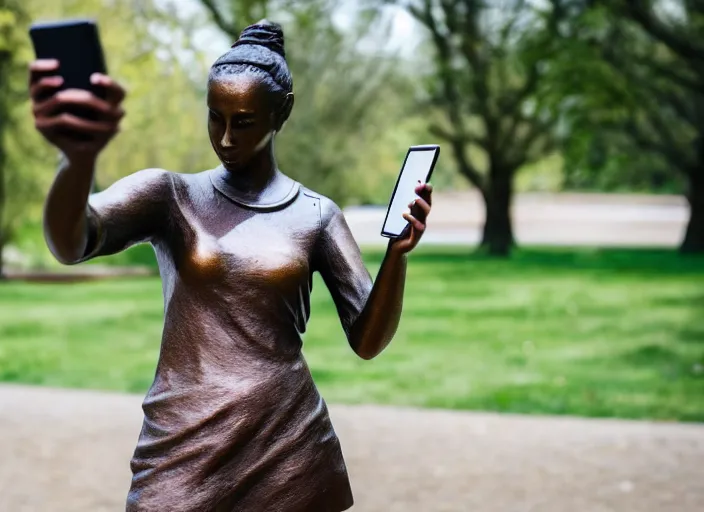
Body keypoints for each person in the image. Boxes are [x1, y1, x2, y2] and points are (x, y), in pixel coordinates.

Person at [29, 20, 432, 512]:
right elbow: (72, 241)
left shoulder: (316, 215)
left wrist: (397, 255)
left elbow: (367, 340)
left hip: (288, 440)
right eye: (214, 117)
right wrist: (76, 161)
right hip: (186, 436)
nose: (224, 137)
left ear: (280, 113)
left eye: (243, 121)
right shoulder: (171, 196)